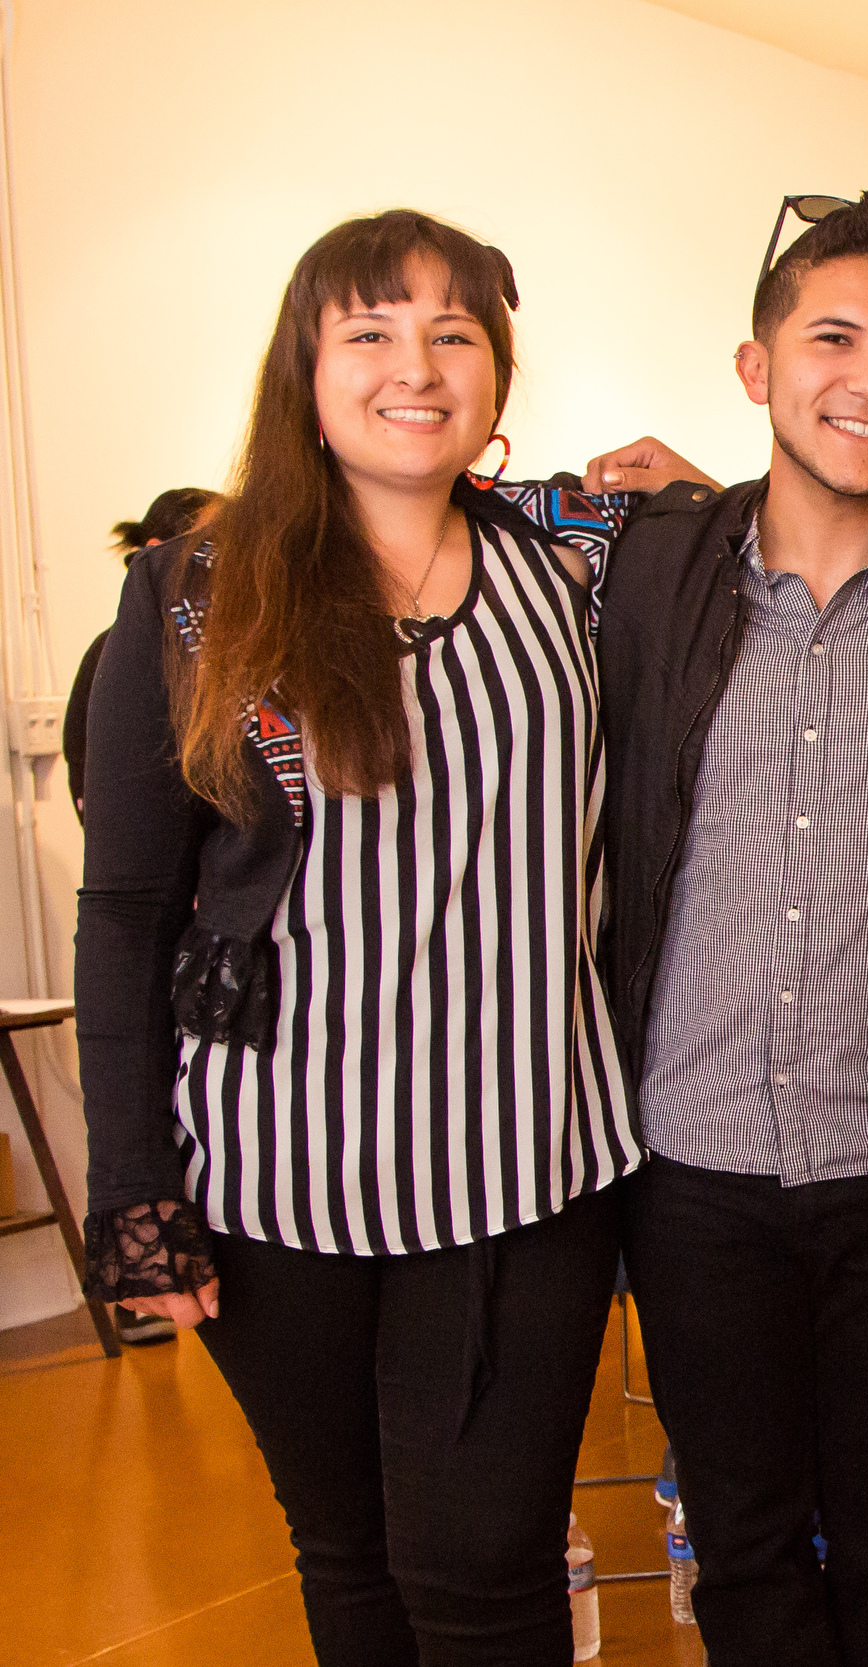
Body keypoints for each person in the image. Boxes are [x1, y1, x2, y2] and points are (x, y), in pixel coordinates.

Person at [77, 209, 640, 1665]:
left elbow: (812, 498)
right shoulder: (199, 592)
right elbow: (130, 908)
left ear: (498, 373)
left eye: (456, 332)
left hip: (529, 1160)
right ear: (307, 371)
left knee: (486, 1558)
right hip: (278, 1172)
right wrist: (137, 1184)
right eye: (372, 332)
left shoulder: (573, 568)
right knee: (348, 1555)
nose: (417, 365)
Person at [497, 193, 868, 1667]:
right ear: (756, 369)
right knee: (740, 1551)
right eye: (833, 339)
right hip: (690, 1164)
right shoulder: (649, 574)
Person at [66, 486, 219, 823]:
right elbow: (88, 767)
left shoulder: (229, 648)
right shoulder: (116, 650)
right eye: (210, 545)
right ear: (158, 551)